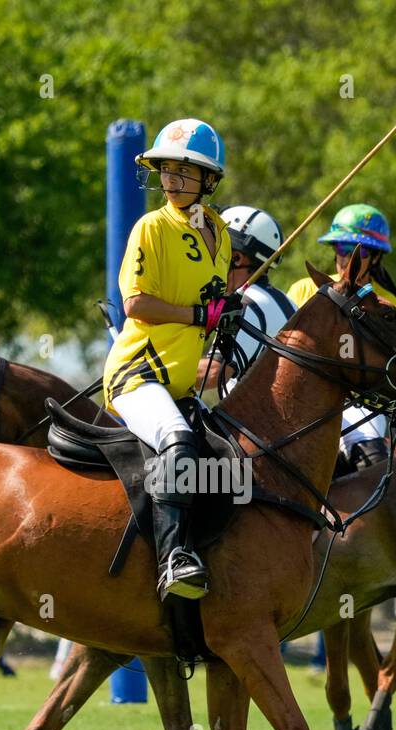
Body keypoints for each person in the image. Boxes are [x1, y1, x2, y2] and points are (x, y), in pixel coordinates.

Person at [102, 118, 242, 600]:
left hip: (182, 383)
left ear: (208, 180)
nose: (170, 181)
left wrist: (226, 311)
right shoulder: (151, 227)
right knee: (176, 437)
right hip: (137, 374)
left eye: (184, 171)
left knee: (235, 453)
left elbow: (213, 301)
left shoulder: (220, 235)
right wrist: (199, 313)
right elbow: (135, 303)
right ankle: (173, 560)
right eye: (165, 170)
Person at [286, 203, 396, 471]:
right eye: (341, 248)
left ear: (375, 257)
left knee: (367, 452)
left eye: (358, 250)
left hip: (359, 401)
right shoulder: (305, 289)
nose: (346, 258)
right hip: (302, 393)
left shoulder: (389, 306)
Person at [195, 205, 296, 399]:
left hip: (267, 425)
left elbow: (214, 372)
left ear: (236, 258)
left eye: (216, 249)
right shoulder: (286, 301)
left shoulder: (246, 304)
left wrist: (157, 374)